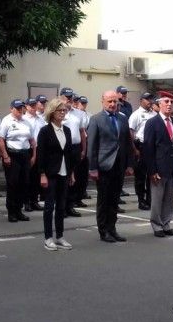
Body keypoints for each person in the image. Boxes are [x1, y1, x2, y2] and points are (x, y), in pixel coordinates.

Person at [87, 90, 134, 243]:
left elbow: (127, 144)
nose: (113, 104)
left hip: (119, 165)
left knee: (114, 199)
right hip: (104, 166)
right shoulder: (96, 119)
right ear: (103, 102)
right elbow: (92, 146)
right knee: (104, 200)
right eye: (110, 101)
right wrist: (92, 168)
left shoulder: (122, 119)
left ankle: (112, 229)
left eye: (115, 101)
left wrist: (129, 164)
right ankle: (103, 231)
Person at [36, 98, 76, 251]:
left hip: (64, 172)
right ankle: (48, 237)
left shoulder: (66, 130)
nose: (62, 113)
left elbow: (69, 153)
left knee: (61, 206)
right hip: (51, 172)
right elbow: (41, 154)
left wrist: (71, 173)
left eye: (64, 110)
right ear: (52, 112)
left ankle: (60, 236)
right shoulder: (45, 131)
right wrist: (42, 174)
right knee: (49, 206)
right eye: (60, 110)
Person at [142, 91, 173, 238]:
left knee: (169, 199)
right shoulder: (152, 123)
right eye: (166, 102)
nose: (169, 105)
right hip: (158, 168)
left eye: (172, 102)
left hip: (172, 167)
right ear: (159, 104)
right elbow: (148, 148)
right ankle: (157, 225)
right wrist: (152, 170)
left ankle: (166, 224)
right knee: (157, 199)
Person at [0, 99, 36, 223]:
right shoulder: (7, 121)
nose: (20, 110)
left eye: (21, 108)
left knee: (24, 183)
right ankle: (11, 211)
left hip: (25, 155)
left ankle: (19, 210)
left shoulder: (26, 122)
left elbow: (32, 141)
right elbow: (0, 139)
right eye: (17, 108)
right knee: (13, 184)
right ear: (11, 108)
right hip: (12, 155)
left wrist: (34, 155)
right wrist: (5, 156)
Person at [128, 92, 156, 210]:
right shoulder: (136, 114)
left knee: (151, 175)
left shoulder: (154, 114)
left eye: (151, 99)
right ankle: (141, 200)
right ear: (141, 101)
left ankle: (150, 199)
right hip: (140, 146)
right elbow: (131, 132)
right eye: (147, 99)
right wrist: (134, 149)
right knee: (140, 176)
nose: (150, 101)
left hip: (152, 147)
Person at [60, 88, 85, 217]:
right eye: (66, 96)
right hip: (63, 148)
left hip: (75, 147)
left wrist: (83, 149)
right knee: (64, 177)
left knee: (75, 178)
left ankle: (71, 205)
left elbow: (82, 132)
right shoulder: (59, 112)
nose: (69, 99)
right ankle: (62, 207)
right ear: (61, 97)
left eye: (71, 97)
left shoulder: (78, 113)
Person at [23, 97, 46, 213]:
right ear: (26, 106)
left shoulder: (41, 120)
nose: (33, 108)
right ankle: (26, 202)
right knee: (27, 177)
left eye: (34, 105)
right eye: (31, 106)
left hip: (40, 149)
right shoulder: (23, 119)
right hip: (29, 150)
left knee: (37, 177)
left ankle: (34, 200)